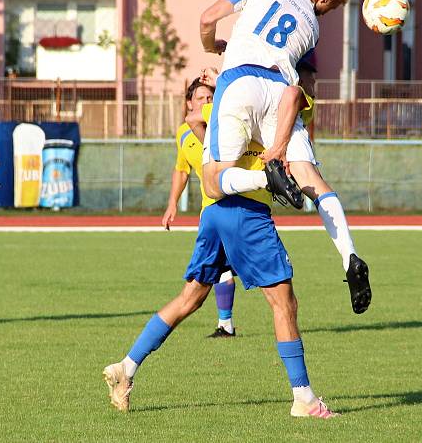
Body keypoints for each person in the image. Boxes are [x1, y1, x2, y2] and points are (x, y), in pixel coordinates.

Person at [103, 94, 338, 419]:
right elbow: (297, 101)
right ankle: (304, 400)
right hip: (245, 212)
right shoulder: (259, 98)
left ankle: (126, 367)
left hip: (214, 214)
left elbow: (197, 119)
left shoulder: (231, 104)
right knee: (284, 302)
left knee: (190, 299)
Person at [199, 0, 371, 314]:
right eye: (332, 6)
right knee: (311, 178)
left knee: (214, 182)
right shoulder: (312, 27)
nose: (328, 11)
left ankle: (267, 177)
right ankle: (349, 255)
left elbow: (207, 19)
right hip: (282, 91)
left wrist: (211, 46)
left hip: (240, 82)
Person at [162, 77, 238, 338]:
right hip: (210, 212)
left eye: (210, 98)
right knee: (221, 267)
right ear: (189, 103)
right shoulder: (183, 133)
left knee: (223, 268)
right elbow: (181, 169)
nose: (206, 102)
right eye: (201, 98)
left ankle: (226, 324)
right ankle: (225, 324)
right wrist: (172, 202)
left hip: (235, 204)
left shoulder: (225, 128)